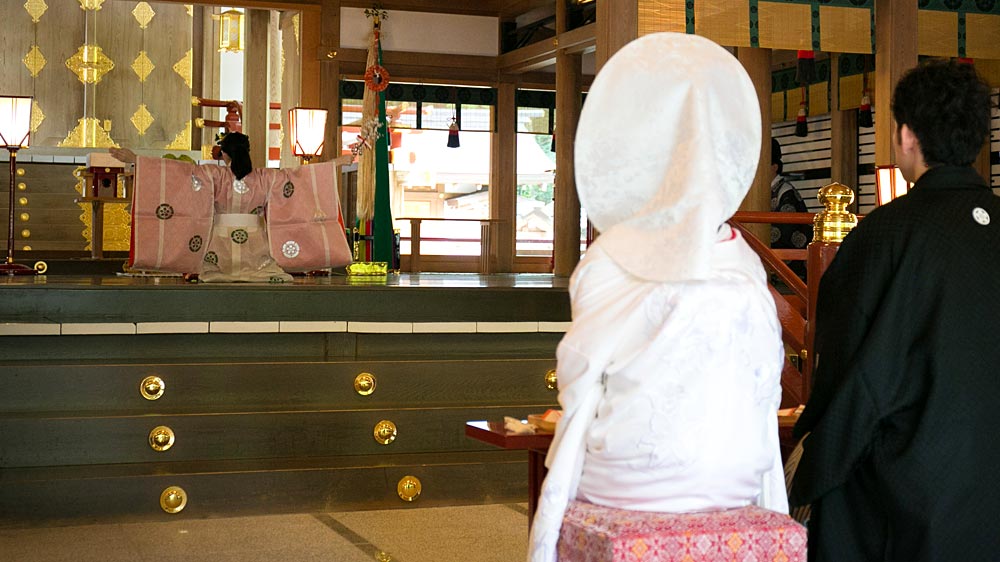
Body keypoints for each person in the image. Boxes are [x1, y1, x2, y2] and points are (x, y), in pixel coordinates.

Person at [528, 32, 788, 562]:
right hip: (735, 475)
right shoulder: (743, 259)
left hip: (631, 482)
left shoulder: (611, 256)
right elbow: (767, 378)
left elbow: (577, 374)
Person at [790, 59, 1000, 561]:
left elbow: (847, 371)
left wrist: (809, 457)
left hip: (912, 492)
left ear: (906, 135)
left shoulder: (883, 235)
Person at [111, 133, 352, 282]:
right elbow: (298, 179)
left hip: (218, 245)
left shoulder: (212, 175)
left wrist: (136, 159)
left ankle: (216, 273)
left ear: (224, 153)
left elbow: (178, 174)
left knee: (210, 271)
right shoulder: (265, 178)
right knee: (266, 270)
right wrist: (335, 164)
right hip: (257, 247)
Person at [770, 138, 811, 277]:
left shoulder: (785, 192)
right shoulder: (768, 190)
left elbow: (785, 230)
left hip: (790, 266)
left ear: (774, 167)